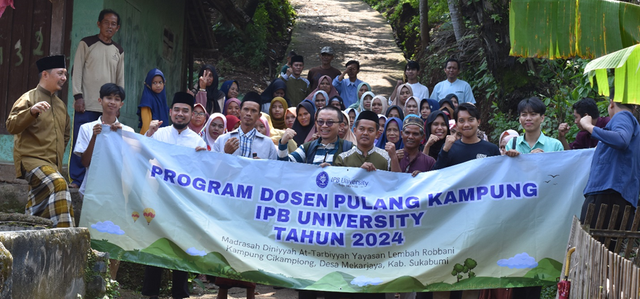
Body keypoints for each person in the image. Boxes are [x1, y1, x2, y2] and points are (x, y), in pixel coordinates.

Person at [142, 91, 207, 299]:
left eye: (185, 111)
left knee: (181, 248)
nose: (180, 114)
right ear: (170, 112)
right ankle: (151, 293)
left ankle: (180, 294)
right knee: (156, 247)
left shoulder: (197, 141)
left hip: (182, 204)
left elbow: (201, 174)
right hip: (157, 200)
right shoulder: (158, 134)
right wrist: (148, 135)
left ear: (191, 115)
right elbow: (140, 154)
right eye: (177, 110)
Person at [73, 83, 133, 280]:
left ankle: (111, 281)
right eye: (108, 98)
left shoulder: (128, 131)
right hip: (92, 191)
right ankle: (88, 279)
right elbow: (85, 162)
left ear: (121, 104)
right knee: (91, 236)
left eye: (116, 99)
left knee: (115, 238)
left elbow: (130, 165)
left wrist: (120, 138)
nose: (112, 102)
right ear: (100, 101)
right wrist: (95, 137)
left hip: (117, 193)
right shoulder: (87, 128)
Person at [6, 55, 73, 227]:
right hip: (31, 161)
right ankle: (66, 236)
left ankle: (31, 228)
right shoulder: (28, 98)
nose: (64, 78)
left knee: (44, 198)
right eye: (60, 73)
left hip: (52, 165)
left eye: (65, 74)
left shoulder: (61, 105)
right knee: (58, 183)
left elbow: (66, 135)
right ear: (45, 74)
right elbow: (11, 126)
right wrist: (31, 112)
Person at [70, 9, 124, 189]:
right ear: (99, 24)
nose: (110, 26)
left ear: (117, 28)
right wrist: (78, 96)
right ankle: (77, 179)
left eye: (113, 24)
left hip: (108, 107)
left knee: (106, 143)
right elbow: (76, 70)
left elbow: (120, 78)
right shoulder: (87, 43)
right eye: (106, 22)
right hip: (86, 104)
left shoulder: (118, 50)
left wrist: (117, 103)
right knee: (81, 140)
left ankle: (101, 178)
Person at [580, 90, 640, 236]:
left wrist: (589, 127)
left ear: (612, 102)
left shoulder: (623, 116)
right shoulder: (634, 125)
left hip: (606, 193)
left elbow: (620, 139)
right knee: (606, 252)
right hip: (621, 195)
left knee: (589, 248)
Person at [278, 106, 354, 165]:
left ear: (341, 126)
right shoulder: (306, 148)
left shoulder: (350, 149)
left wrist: (333, 172)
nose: (324, 126)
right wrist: (283, 143)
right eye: (320, 122)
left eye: (329, 122)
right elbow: (284, 165)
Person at [434, 103, 500, 169]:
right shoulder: (449, 148)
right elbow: (437, 174)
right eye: (461, 121)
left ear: (478, 122)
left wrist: (509, 157)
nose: (466, 125)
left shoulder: (492, 149)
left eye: (470, 120)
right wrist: (444, 150)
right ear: (456, 124)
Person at [214, 92, 278, 160]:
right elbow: (211, 167)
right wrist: (225, 153)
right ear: (239, 112)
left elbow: (273, 169)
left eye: (253, 111)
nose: (248, 114)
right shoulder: (222, 140)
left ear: (259, 116)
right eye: (246, 109)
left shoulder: (268, 144)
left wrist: (261, 166)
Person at [138, 68, 169, 135]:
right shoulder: (147, 99)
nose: (158, 85)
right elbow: (146, 124)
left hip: (162, 137)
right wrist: (149, 136)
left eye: (160, 82)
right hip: (149, 137)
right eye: (154, 83)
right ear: (148, 83)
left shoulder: (162, 97)